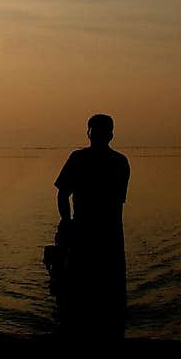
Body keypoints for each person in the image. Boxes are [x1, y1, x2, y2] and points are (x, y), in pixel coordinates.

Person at [53, 114, 130, 340]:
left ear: (90, 133)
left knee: (82, 287)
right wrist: (68, 223)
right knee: (110, 288)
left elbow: (62, 194)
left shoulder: (78, 159)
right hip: (110, 235)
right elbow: (117, 200)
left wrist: (67, 222)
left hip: (89, 233)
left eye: (93, 131)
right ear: (110, 135)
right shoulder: (120, 162)